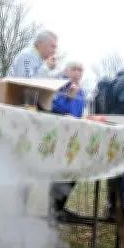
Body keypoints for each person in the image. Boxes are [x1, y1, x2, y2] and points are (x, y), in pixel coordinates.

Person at [49, 61, 87, 222]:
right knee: (60, 170)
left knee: (74, 170)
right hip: (57, 134)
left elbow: (78, 113)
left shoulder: (82, 91)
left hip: (73, 135)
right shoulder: (59, 86)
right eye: (74, 69)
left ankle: (58, 206)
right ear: (66, 70)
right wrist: (69, 98)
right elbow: (52, 106)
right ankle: (53, 207)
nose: (77, 73)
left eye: (80, 70)